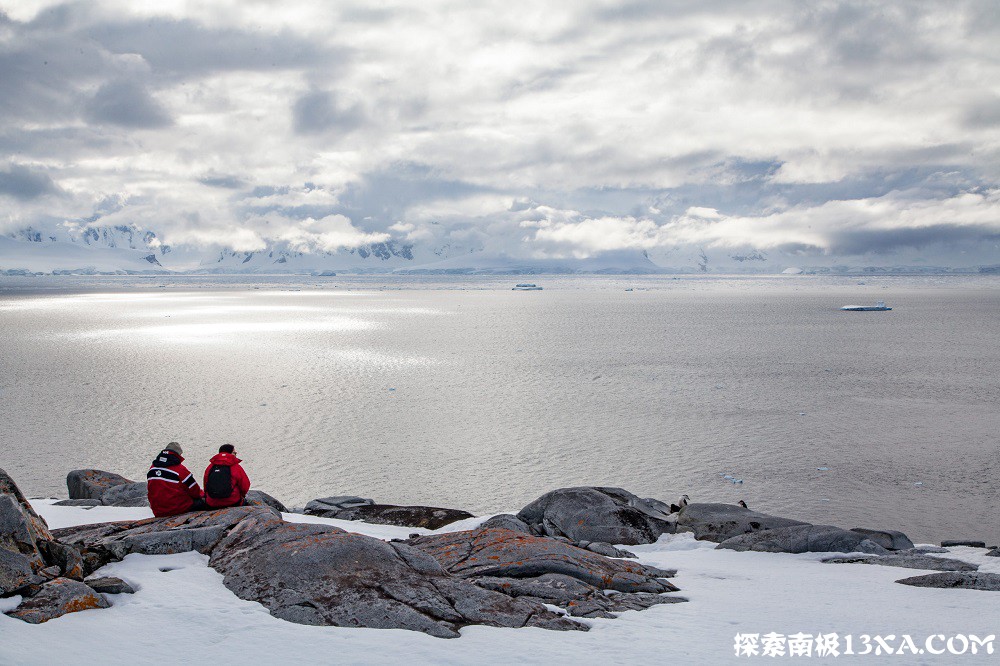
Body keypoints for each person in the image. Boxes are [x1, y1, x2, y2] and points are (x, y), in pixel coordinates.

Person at [146, 441, 207, 517]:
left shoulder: (152, 468)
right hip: (176, 509)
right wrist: (204, 495)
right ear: (178, 454)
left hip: (158, 511)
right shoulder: (179, 469)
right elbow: (195, 491)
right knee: (205, 503)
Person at [203, 444, 251, 508]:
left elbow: (205, 484)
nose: (236, 453)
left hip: (212, 503)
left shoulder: (210, 467)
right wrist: (242, 495)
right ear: (230, 453)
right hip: (232, 501)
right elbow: (245, 485)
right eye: (234, 452)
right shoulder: (235, 466)